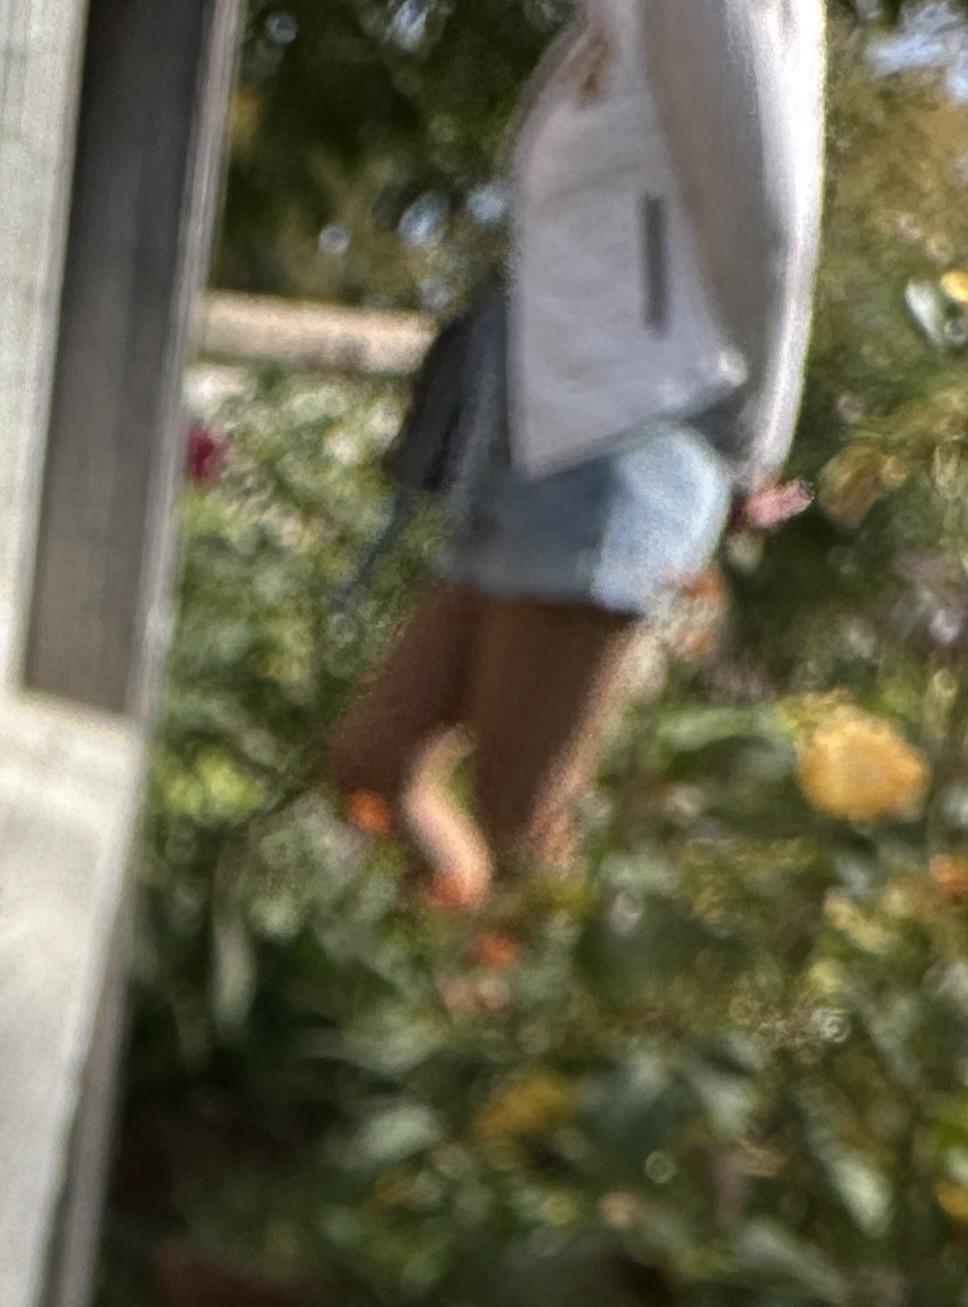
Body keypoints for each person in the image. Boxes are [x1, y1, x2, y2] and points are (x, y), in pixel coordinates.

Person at [324, 0, 826, 906]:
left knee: (520, 824)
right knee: (374, 759)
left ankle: (520, 1026)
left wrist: (753, 442)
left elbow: (768, 216)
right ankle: (471, 996)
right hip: (534, 432)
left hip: (619, 439)